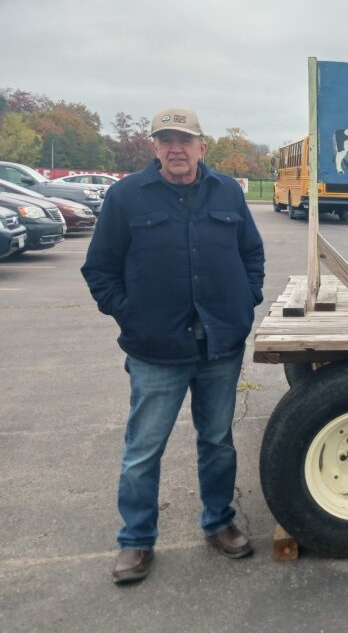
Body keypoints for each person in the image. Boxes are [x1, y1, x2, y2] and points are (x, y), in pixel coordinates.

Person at [82, 108, 265, 584]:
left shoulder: (227, 191)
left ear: (202, 145)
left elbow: (251, 253)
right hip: (155, 348)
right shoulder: (126, 197)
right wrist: (130, 313)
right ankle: (136, 540)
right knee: (143, 449)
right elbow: (99, 268)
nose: (176, 148)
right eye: (166, 140)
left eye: (184, 139)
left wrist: (246, 299)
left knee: (218, 442)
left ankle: (219, 521)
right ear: (154, 147)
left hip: (220, 345)